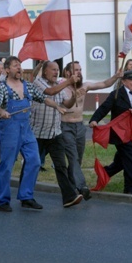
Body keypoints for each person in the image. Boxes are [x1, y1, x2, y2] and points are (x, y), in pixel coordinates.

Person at [0, 56, 78, 212]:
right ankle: (3, 200)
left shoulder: (27, 86)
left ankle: (26, 196)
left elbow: (44, 98)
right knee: (7, 164)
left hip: (26, 129)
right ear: (7, 70)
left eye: (20, 65)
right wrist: (2, 111)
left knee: (34, 161)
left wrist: (57, 107)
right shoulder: (2, 87)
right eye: (15, 65)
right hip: (10, 128)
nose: (19, 68)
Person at [23, 61, 81, 207]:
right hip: (37, 133)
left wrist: (74, 96)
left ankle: (69, 197)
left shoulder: (59, 84)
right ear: (44, 71)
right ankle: (25, 195)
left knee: (61, 166)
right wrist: (68, 81)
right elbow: (50, 92)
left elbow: (66, 104)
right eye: (53, 69)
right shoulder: (38, 82)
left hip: (55, 133)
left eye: (58, 70)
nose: (56, 72)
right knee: (32, 164)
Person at [61, 61, 121, 199]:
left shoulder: (85, 85)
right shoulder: (62, 88)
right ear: (68, 73)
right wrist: (74, 94)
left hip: (80, 126)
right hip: (66, 126)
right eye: (76, 70)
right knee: (73, 157)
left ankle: (71, 187)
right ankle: (82, 187)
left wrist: (116, 76)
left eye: (80, 69)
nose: (79, 72)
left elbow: (105, 84)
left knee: (78, 159)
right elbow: (66, 104)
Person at [89, 70, 132, 195]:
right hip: (120, 134)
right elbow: (104, 108)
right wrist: (94, 120)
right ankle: (131, 190)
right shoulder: (116, 94)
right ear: (123, 82)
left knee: (122, 161)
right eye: (131, 80)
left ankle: (106, 172)